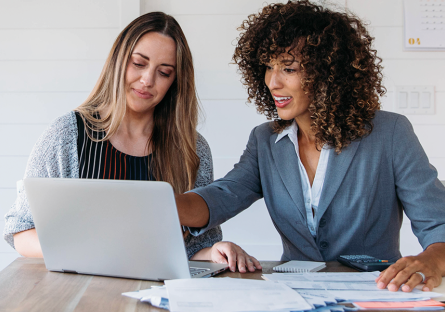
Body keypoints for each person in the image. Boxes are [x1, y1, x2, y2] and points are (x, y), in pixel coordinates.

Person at [176, 0, 445, 291]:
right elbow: (223, 195)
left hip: (376, 292)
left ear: (330, 74)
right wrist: (163, 205)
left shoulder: (390, 133)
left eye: (288, 68)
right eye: (268, 67)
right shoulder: (265, 140)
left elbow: (437, 223)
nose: (272, 82)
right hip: (294, 294)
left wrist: (433, 259)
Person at [3, 12, 259, 273]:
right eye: (138, 63)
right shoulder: (67, 135)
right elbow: (21, 231)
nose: (147, 80)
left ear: (175, 81)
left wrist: (214, 251)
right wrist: (92, 252)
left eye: (164, 72)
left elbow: (193, 248)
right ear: (118, 61)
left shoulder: (192, 148)